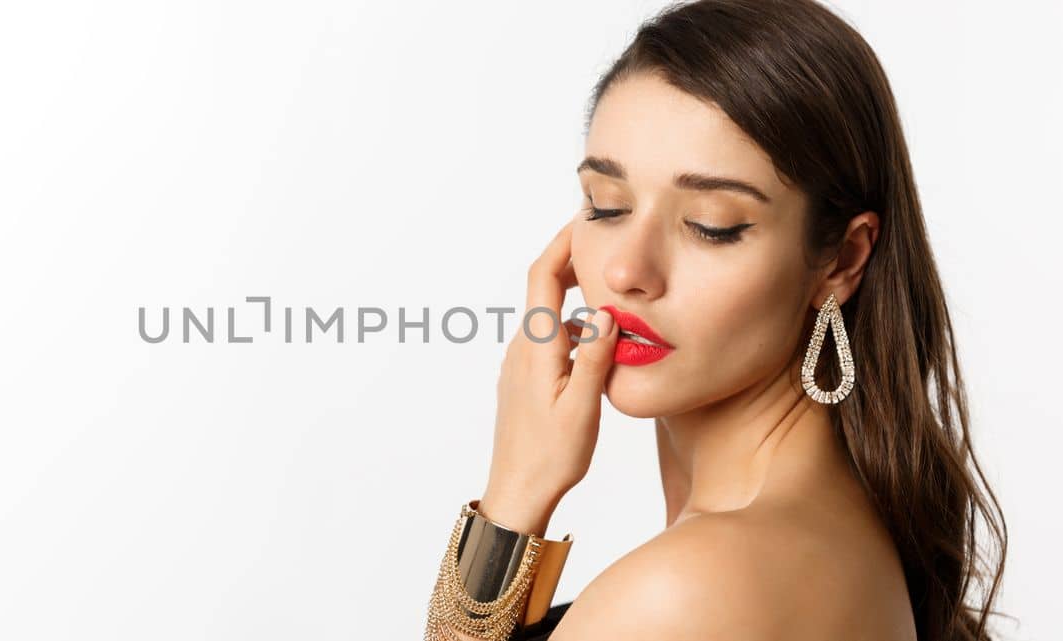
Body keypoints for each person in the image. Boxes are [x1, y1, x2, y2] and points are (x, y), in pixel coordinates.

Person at [422, 1, 1008, 640]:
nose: (627, 272)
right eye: (606, 205)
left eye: (712, 226)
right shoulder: (841, 531)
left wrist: (514, 492)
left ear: (841, 258)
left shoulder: (688, 592)